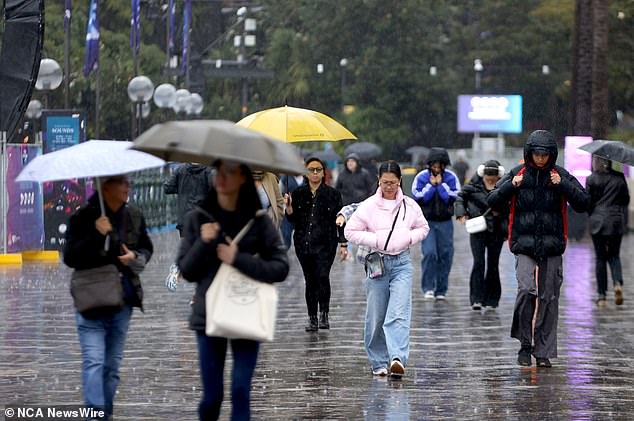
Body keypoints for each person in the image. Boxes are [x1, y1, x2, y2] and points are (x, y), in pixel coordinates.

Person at [176, 160, 289, 421]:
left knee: (240, 390)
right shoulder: (197, 218)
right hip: (209, 314)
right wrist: (204, 243)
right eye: (218, 172)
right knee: (212, 396)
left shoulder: (258, 222)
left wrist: (237, 257)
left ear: (242, 178)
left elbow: (280, 267)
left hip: (246, 310)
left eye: (229, 173)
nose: (221, 178)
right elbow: (187, 270)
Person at [488, 130, 589, 368]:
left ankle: (542, 351)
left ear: (551, 155)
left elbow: (584, 203)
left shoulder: (559, 175)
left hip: (552, 246)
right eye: (536, 154)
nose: (541, 159)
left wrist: (562, 185)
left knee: (549, 297)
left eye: (545, 155)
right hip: (523, 244)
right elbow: (492, 200)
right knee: (526, 290)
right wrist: (510, 187)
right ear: (529, 153)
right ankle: (525, 343)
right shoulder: (517, 173)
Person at [63, 175, 154, 420]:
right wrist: (96, 233)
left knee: (111, 368)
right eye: (121, 183)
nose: (127, 188)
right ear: (106, 187)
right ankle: (95, 415)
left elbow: (147, 247)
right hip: (91, 302)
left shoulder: (133, 215)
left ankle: (105, 413)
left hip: (122, 303)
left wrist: (134, 256)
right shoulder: (83, 217)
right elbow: (70, 257)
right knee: (94, 362)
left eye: (128, 183)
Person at [344, 161, 429, 379]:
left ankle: (397, 358)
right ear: (378, 181)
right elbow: (350, 231)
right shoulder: (369, 205)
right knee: (376, 315)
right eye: (384, 183)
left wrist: (408, 237)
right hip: (377, 263)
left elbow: (423, 227)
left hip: (402, 263)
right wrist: (376, 239)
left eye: (392, 183)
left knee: (399, 312)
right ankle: (378, 361)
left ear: (400, 181)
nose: (388, 187)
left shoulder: (410, 205)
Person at [285, 157, 345, 331]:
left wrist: (343, 243)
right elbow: (292, 219)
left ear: (324, 172)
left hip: (326, 244)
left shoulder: (333, 194)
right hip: (304, 244)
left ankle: (324, 313)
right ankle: (312, 317)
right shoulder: (297, 194)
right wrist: (289, 208)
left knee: (322, 276)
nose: (315, 173)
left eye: (318, 169)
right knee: (310, 280)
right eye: (311, 169)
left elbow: (340, 219)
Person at [455, 160, 508, 310]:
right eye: (487, 176)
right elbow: (460, 198)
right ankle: (476, 299)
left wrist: (502, 214)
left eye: (493, 176)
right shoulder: (472, 187)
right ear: (482, 174)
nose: (490, 179)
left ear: (499, 176)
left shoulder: (504, 188)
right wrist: (461, 213)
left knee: (493, 265)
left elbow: (510, 206)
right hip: (478, 230)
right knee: (478, 263)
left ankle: (492, 299)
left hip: (497, 230)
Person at [411, 147, 460, 300]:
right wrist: (432, 186)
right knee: (430, 253)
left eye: (440, 165)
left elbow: (453, 197)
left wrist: (441, 186)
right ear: (429, 164)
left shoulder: (451, 177)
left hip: (445, 222)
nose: (437, 169)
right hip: (427, 222)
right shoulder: (421, 177)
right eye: (434, 165)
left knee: (446, 254)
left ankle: (441, 289)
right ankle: (428, 287)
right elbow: (419, 197)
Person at [586, 155, 630, 306]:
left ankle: (602, 296)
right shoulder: (619, 177)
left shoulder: (591, 178)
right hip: (616, 222)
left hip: (597, 222)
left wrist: (593, 214)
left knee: (600, 258)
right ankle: (617, 283)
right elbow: (626, 200)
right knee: (614, 256)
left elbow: (588, 202)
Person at [164, 163, 212, 291]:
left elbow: (167, 188)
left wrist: (182, 187)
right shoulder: (208, 171)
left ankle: (177, 269)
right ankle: (198, 293)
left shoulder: (181, 169)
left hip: (184, 220)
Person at [279, 173, 304, 249]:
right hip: (288, 213)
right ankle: (283, 256)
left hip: (303, 214)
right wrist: (284, 200)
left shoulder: (307, 178)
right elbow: (278, 193)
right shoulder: (285, 178)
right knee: (286, 237)